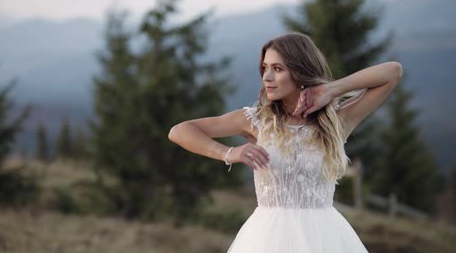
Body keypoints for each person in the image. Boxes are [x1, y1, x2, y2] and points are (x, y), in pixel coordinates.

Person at [168, 32, 402, 252]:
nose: (266, 77)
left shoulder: (336, 122)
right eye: (265, 68)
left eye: (277, 69)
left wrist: (331, 89)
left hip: (326, 238)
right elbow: (180, 130)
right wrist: (228, 152)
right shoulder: (255, 121)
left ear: (300, 72)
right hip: (266, 239)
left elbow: (392, 72)